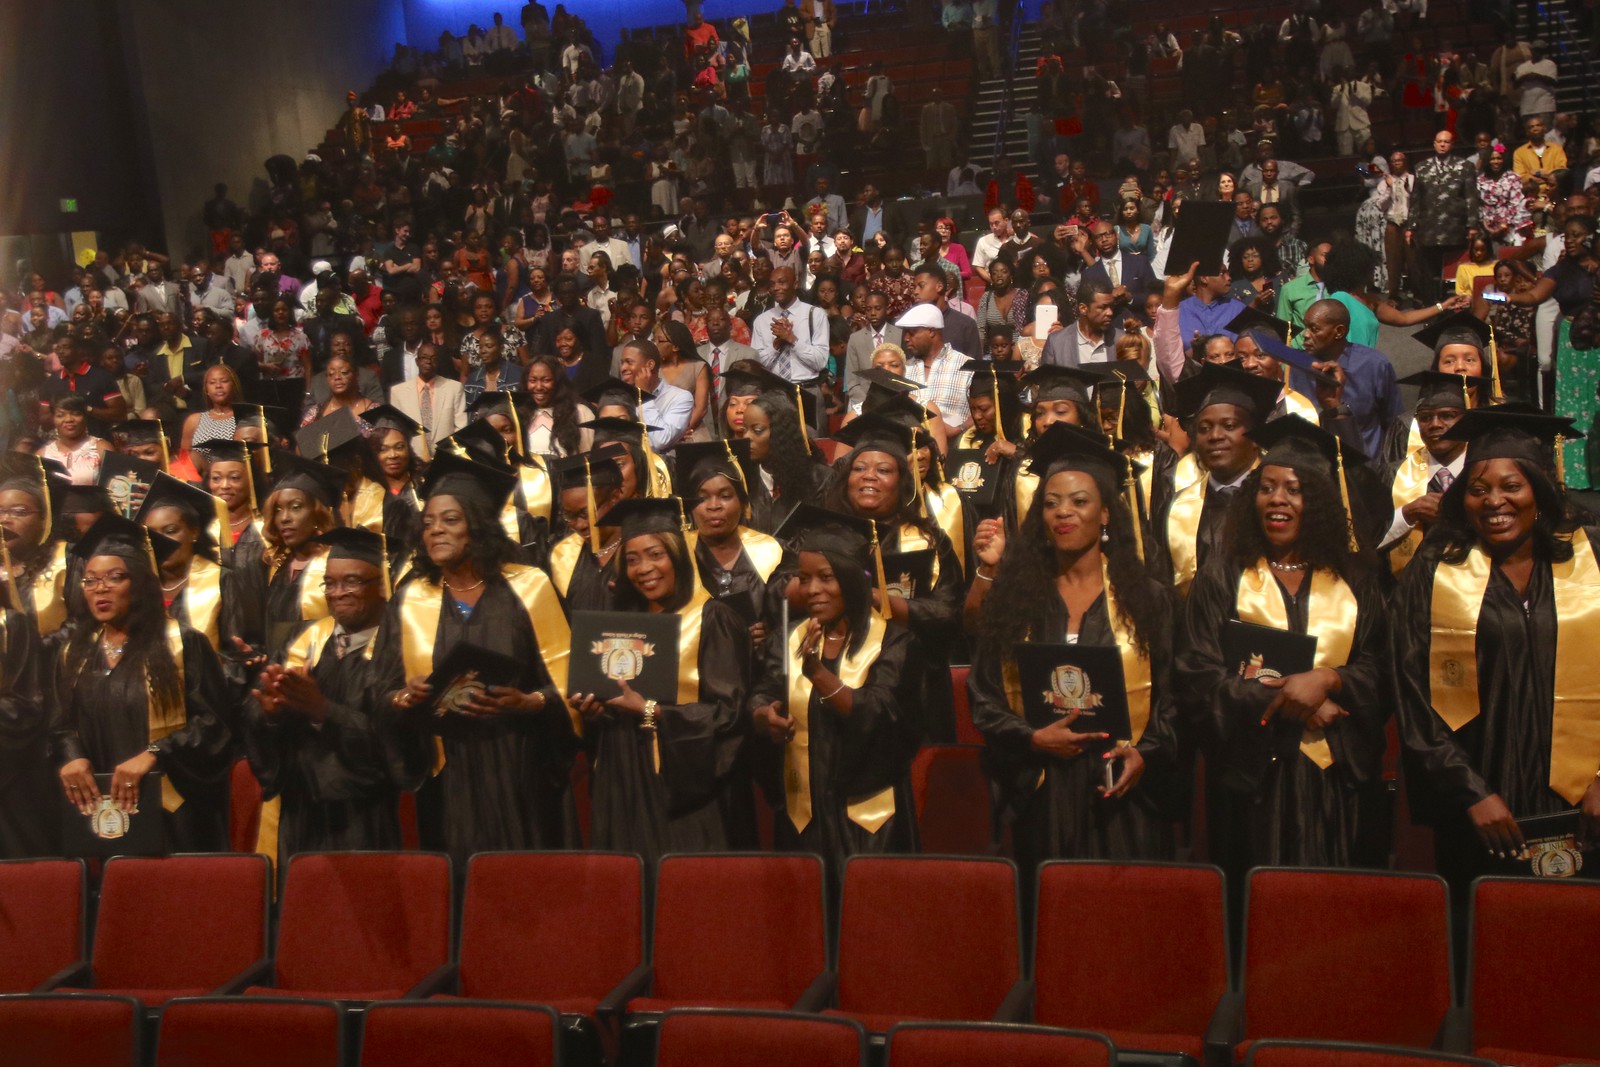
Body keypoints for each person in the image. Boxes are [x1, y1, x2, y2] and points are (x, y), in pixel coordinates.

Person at [1393, 408, 1600, 914]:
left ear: (1539, 491)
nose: (1495, 502)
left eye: (1512, 486)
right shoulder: (1437, 568)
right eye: (1478, 489)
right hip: (1482, 804)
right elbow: (1412, 692)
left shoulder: (1590, 556)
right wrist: (1470, 793)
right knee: (1487, 946)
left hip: (1586, 804)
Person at [1177, 416, 1391, 882]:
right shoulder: (1223, 574)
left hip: (1339, 777)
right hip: (1251, 779)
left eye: (1294, 489)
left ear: (1318, 502)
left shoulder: (1354, 578)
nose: (1278, 499)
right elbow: (1197, 674)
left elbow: (1383, 665)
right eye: (1267, 487)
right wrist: (1287, 699)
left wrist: (1331, 680)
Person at [969, 423, 1179, 865]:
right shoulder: (1018, 597)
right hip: (1042, 787)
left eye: (1080, 501)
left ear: (1106, 513)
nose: (1063, 512)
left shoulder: (1147, 598)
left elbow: (1173, 697)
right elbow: (985, 693)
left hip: (1123, 790)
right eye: (1051, 503)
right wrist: (1028, 737)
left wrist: (1145, 753)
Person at [376, 453, 577, 863]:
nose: (435, 531)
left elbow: (568, 677)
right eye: (428, 523)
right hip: (446, 774)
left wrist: (532, 702)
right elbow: (381, 686)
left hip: (519, 762)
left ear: (478, 525)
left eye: (450, 520)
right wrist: (402, 698)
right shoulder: (411, 598)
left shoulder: (530, 587)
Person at [568, 497, 754, 864]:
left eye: (655, 554)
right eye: (632, 559)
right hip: (620, 773)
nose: (644, 568)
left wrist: (652, 711)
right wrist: (594, 711)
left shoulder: (712, 618)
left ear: (677, 557)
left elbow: (728, 715)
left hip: (683, 781)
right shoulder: (618, 622)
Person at [746, 505, 925, 875]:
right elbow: (762, 692)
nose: (812, 590)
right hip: (803, 817)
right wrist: (765, 717)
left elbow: (879, 714)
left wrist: (815, 671)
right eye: (804, 577)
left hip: (869, 822)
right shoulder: (790, 636)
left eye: (826, 577)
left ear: (854, 579)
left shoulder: (894, 643)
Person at [53, 516, 232, 851]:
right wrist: (72, 756)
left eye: (114, 578)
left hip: (172, 810)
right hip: (100, 813)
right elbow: (60, 725)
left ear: (140, 582)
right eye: (90, 581)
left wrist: (154, 754)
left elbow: (214, 726)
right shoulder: (74, 653)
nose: (100, 589)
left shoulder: (181, 644)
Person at [242, 528, 398, 865]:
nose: (338, 593)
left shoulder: (396, 648)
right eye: (330, 583)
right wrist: (270, 714)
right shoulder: (304, 640)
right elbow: (256, 717)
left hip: (364, 816)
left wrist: (323, 710)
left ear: (382, 585)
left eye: (352, 582)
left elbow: (397, 743)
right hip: (302, 812)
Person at [825, 413, 963, 740]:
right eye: (859, 468)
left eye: (883, 470)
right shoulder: (821, 539)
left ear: (902, 481)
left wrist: (875, 598)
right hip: (839, 683)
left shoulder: (929, 540)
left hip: (916, 687)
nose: (868, 477)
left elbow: (948, 613)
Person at [1156, 364, 1282, 595]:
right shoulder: (1176, 507)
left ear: (1256, 438)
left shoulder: (1277, 504)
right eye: (1204, 428)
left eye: (1229, 426)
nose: (1215, 436)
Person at [136, 472, 259, 656]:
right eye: (151, 535)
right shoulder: (139, 587)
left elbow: (235, 654)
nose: (161, 541)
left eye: (170, 531)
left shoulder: (222, 581)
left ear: (194, 533)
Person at [260, 451, 347, 657]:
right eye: (278, 510)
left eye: (296, 507)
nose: (284, 518)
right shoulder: (277, 566)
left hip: (324, 667)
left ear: (317, 513)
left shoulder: (335, 564)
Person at [0, 453, 71, 641]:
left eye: (19, 512)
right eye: (0, 511)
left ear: (44, 519)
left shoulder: (64, 562)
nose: (5, 519)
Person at [1406, 130, 1481, 304]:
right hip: (1428, 229)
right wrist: (1411, 227)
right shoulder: (1421, 167)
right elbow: (1416, 200)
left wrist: (1472, 225)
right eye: (1439, 141)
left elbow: (1471, 198)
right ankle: (1431, 307)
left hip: (1455, 227)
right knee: (1428, 272)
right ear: (1434, 144)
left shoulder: (1465, 166)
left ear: (1452, 144)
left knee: (1455, 270)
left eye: (1446, 142)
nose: (1442, 144)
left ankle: (1457, 305)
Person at [37, 395, 107, 486]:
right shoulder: (42, 455)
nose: (69, 419)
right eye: (60, 415)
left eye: (76, 414)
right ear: (53, 419)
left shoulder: (101, 448)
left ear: (85, 417)